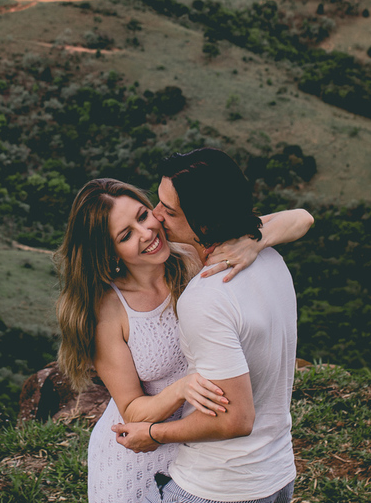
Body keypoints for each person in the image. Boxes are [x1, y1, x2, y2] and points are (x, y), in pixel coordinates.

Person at [56, 177, 312, 503]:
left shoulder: (192, 255)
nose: (146, 232)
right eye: (126, 235)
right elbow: (132, 410)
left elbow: (301, 218)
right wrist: (181, 389)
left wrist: (254, 242)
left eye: (142, 215)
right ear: (109, 253)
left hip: (198, 448)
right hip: (138, 452)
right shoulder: (107, 312)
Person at [114, 148, 303, 503]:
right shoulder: (270, 257)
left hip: (219, 487)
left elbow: (235, 419)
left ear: (203, 222)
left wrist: (153, 434)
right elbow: (300, 218)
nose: (156, 217)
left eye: (168, 211)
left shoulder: (206, 298)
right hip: (277, 474)